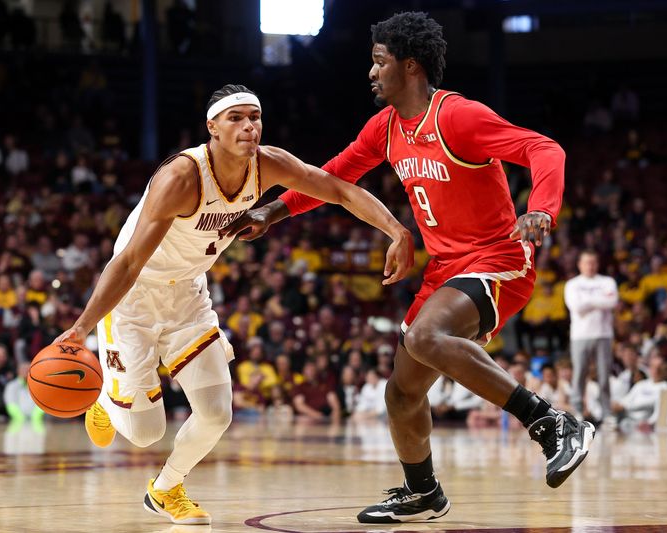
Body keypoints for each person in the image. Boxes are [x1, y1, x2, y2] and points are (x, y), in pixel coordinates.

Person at [221, 12, 595, 523]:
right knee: (400, 392)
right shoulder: (387, 126)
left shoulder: (457, 117)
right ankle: (423, 492)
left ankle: (552, 423)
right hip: (444, 268)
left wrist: (542, 208)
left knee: (423, 338)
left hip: (497, 258)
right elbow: (334, 175)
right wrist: (275, 209)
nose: (371, 73)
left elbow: (543, 148)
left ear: (411, 67)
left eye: (380, 62)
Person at [54, 84, 414, 525]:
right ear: (212, 127)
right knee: (147, 434)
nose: (249, 126)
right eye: (236, 118)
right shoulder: (181, 178)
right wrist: (82, 326)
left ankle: (165, 489)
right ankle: (107, 398)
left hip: (188, 293)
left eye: (255, 117)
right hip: (135, 296)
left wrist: (397, 230)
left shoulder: (268, 164)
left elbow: (338, 190)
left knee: (216, 413)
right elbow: (127, 261)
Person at [563, 250, 619, 422]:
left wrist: (588, 301)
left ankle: (607, 412)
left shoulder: (607, 281)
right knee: (579, 374)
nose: (590, 266)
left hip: (604, 334)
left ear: (598, 263)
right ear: (580, 264)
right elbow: (576, 307)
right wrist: (598, 300)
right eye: (587, 262)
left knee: (604, 375)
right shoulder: (572, 284)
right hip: (580, 335)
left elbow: (612, 302)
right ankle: (578, 410)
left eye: (593, 262)